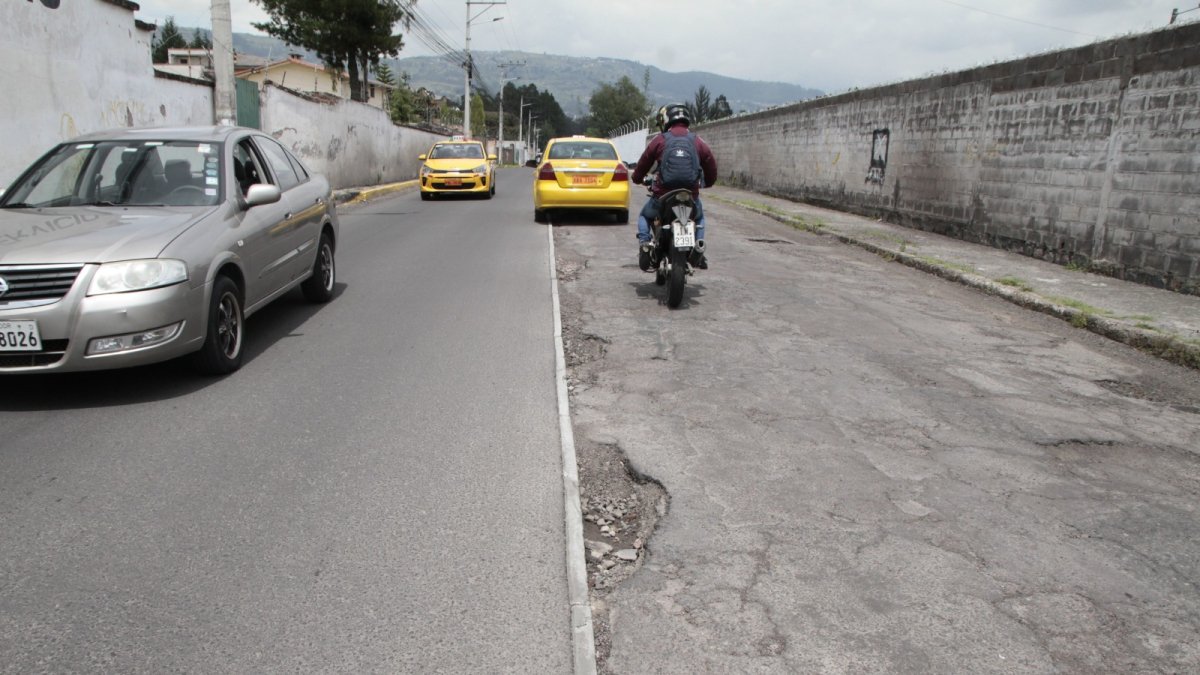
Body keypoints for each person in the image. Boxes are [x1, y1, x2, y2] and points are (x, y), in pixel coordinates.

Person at [631, 103, 718, 271]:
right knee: (699, 218)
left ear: (666, 120)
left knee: (644, 216)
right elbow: (710, 164)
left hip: (663, 195)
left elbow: (644, 162)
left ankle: (645, 244)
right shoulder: (697, 140)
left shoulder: (661, 139)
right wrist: (708, 182)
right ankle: (699, 246)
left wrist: (637, 178)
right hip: (690, 195)